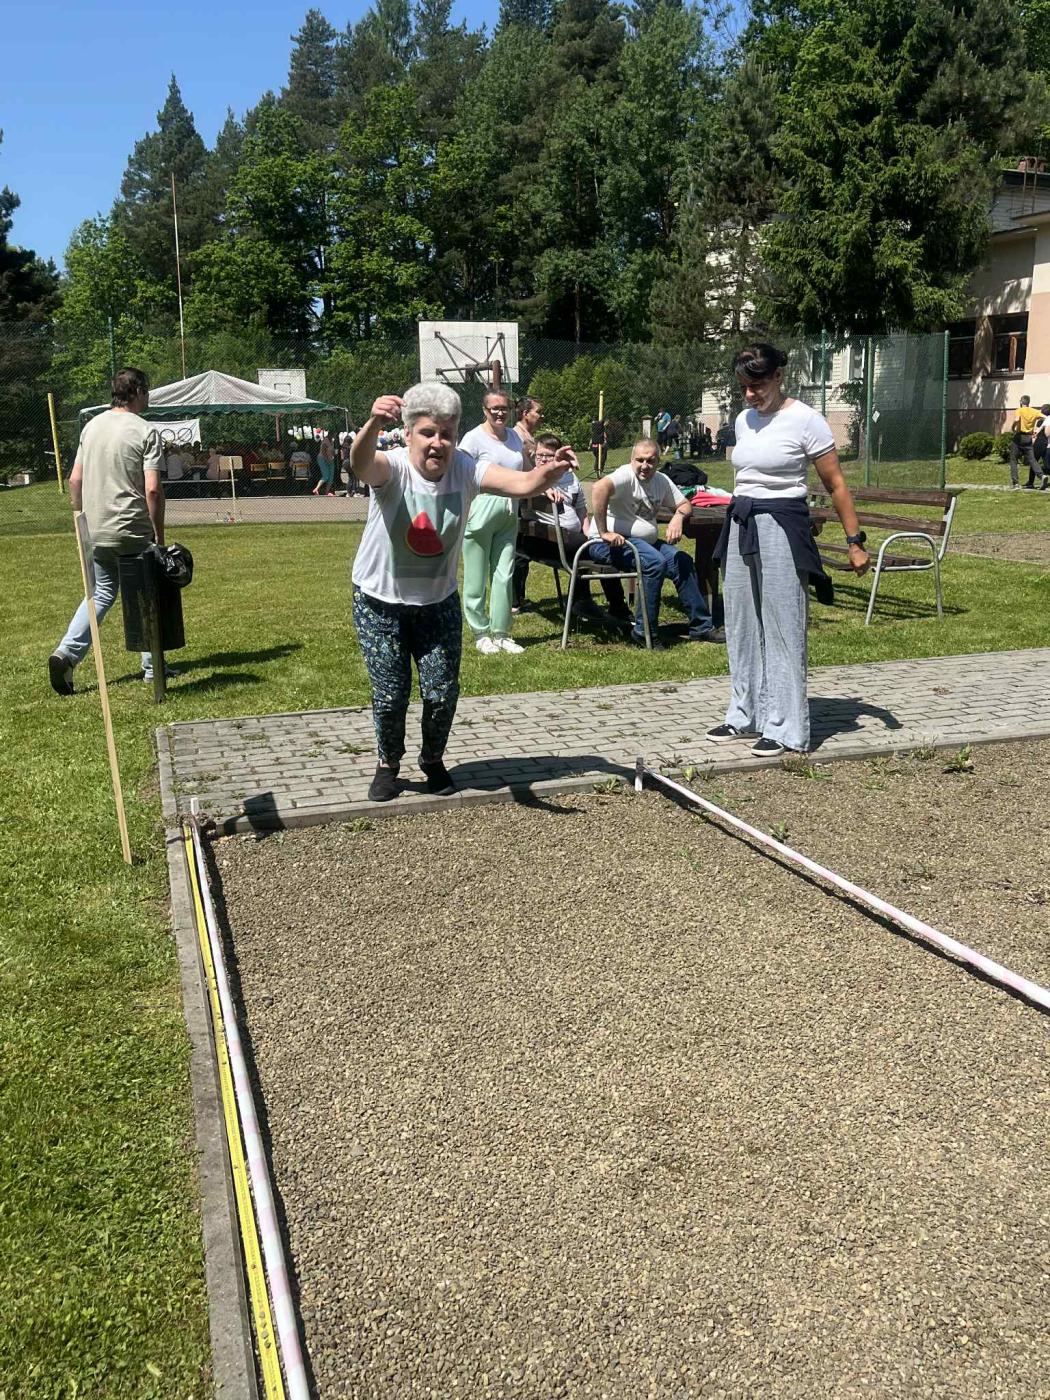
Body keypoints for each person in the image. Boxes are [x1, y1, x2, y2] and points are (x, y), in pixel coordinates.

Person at [348, 383, 567, 802]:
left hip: (437, 602)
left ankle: (432, 760)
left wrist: (548, 474)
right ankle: (387, 764)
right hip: (379, 602)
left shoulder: (465, 468)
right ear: (408, 433)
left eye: (446, 433)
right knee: (391, 695)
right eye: (428, 432)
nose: (438, 443)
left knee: (442, 692)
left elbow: (522, 482)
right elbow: (361, 463)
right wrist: (374, 422)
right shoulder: (393, 468)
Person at [707, 342, 869, 758]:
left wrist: (854, 542)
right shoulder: (743, 420)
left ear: (779, 376)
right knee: (741, 621)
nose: (750, 395)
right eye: (743, 387)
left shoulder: (806, 420)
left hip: (782, 524)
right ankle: (745, 713)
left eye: (757, 385)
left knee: (782, 625)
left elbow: (836, 485)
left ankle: (784, 727)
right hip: (742, 522)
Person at [48, 367, 169, 694]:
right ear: (138, 391)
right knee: (145, 592)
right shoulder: (146, 431)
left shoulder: (91, 427)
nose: (149, 397)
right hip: (131, 528)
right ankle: (153, 668)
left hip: (96, 529)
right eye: (147, 390)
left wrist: (80, 519)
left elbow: (75, 480)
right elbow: (153, 490)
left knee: (101, 593)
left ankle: (66, 653)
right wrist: (159, 536)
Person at [586, 439, 725, 650]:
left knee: (682, 560)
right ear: (631, 460)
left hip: (645, 543)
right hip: (609, 544)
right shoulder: (625, 475)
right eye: (640, 460)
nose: (645, 466)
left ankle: (701, 626)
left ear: (658, 461)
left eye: (650, 461)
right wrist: (604, 532)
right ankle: (644, 632)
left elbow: (685, 504)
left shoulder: (661, 480)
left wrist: (678, 517)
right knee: (654, 562)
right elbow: (598, 488)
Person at [514, 434, 631, 622]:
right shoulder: (531, 476)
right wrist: (543, 488)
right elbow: (525, 486)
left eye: (548, 456)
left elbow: (581, 509)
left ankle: (594, 602)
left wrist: (589, 533)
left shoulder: (570, 477)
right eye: (539, 455)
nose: (542, 459)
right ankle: (604, 605)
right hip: (545, 540)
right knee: (600, 552)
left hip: (571, 538)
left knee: (597, 547)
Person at [459, 387, 527, 654]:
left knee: (504, 574)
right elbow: (460, 474)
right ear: (485, 410)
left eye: (505, 408)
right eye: (495, 408)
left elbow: (526, 470)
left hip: (510, 511)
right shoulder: (473, 438)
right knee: (476, 576)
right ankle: (480, 633)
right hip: (481, 510)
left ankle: (501, 633)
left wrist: (546, 485)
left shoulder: (514, 437)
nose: (500, 413)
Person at [1009, 396, 1044, 489]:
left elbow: (1017, 419)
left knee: (1013, 459)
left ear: (1021, 402)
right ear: (1029, 402)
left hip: (1019, 436)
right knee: (1032, 459)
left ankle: (1016, 483)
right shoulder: (1035, 411)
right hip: (1029, 437)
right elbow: (1046, 418)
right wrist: (1039, 429)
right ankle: (1042, 476)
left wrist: (1012, 428)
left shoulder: (1019, 410)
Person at [1024, 403, 1050, 489]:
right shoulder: (1044, 420)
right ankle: (1033, 481)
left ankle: (1032, 482)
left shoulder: (1045, 420)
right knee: (1047, 465)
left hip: (1041, 443)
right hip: (1046, 444)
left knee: (1034, 462)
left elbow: (1045, 433)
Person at [514, 397, 544, 464]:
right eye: (538, 412)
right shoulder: (517, 436)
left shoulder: (529, 435)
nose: (542, 416)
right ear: (526, 414)